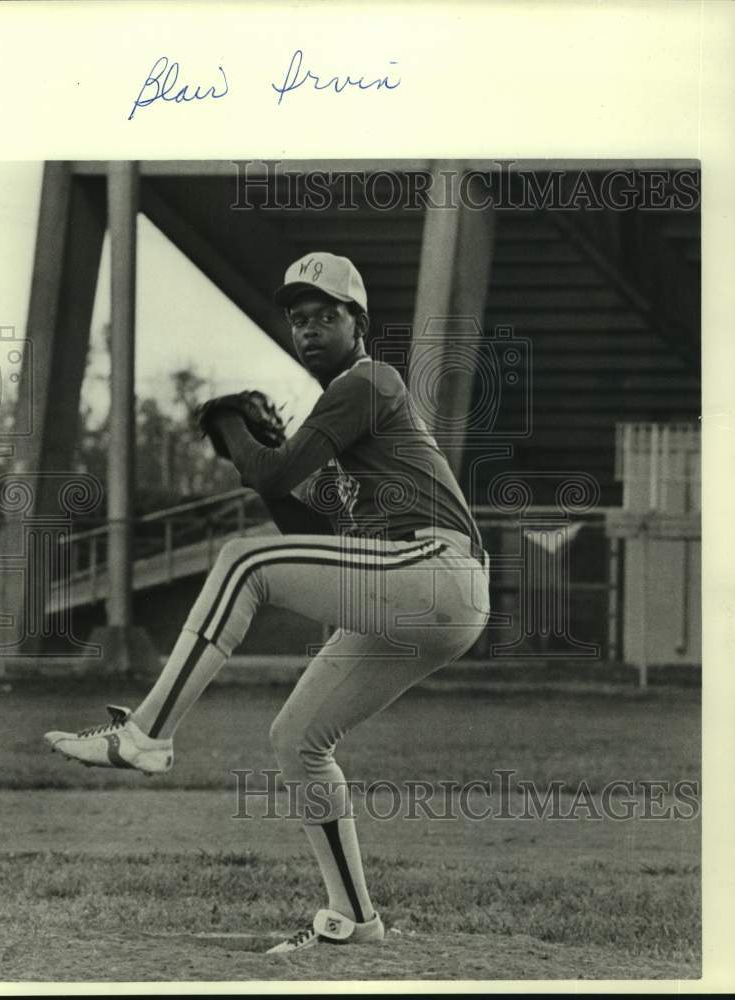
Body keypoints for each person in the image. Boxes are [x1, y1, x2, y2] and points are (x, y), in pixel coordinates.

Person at [45, 251, 491, 953]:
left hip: (437, 571)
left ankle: (145, 736)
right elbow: (312, 533)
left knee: (241, 557)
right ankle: (354, 920)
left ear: (359, 323)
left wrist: (234, 435)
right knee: (298, 739)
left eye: (325, 316)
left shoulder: (369, 378)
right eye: (298, 319)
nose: (308, 330)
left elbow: (276, 471)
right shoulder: (351, 417)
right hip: (416, 591)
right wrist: (258, 457)